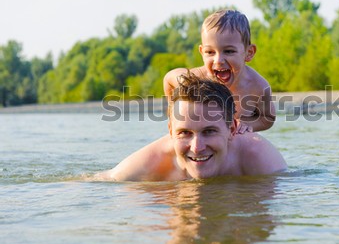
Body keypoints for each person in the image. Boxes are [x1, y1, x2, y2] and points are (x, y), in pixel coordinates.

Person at [95, 73, 286, 182]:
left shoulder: (259, 158)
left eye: (209, 131)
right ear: (170, 131)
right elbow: (95, 182)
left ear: (232, 129)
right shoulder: (148, 166)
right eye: (185, 133)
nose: (197, 147)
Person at [164, 9, 275, 134]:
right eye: (210, 52)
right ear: (201, 52)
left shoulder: (257, 86)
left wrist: (246, 124)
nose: (218, 60)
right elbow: (168, 79)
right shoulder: (196, 80)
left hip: (234, 140)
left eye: (229, 51)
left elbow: (268, 118)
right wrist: (174, 115)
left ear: (249, 53)